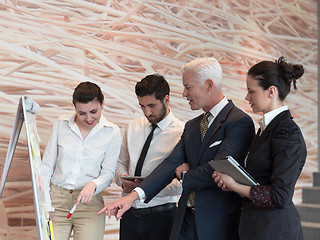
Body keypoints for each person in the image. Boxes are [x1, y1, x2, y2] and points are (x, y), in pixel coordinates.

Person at [98, 57, 255, 240]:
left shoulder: (238, 121)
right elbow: (170, 163)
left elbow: (218, 168)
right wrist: (132, 197)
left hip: (216, 223)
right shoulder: (193, 126)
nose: (183, 94)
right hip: (185, 221)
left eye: (188, 87)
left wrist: (185, 175)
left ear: (209, 85)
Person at [212, 57, 307, 240]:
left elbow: (279, 196)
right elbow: (259, 180)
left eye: (251, 91)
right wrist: (232, 181)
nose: (247, 97)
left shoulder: (286, 132)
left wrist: (235, 186)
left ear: (271, 91)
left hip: (274, 231)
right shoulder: (265, 129)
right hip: (256, 227)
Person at [40, 81, 121, 240]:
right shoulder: (61, 125)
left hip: (89, 204)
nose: (89, 118)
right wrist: (45, 203)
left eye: (93, 111)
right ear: (75, 107)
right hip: (57, 201)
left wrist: (93, 184)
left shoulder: (112, 132)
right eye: (82, 113)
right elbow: (46, 168)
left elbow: (108, 172)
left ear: (102, 103)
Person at [114, 74, 184, 240]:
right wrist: (123, 180)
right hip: (129, 215)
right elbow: (120, 164)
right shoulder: (132, 126)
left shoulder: (182, 132)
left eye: (152, 105)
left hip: (162, 217)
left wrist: (143, 190)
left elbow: (183, 183)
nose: (147, 112)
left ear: (166, 100)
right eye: (142, 106)